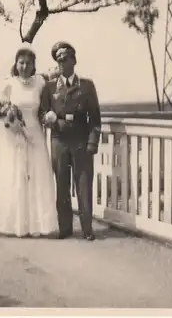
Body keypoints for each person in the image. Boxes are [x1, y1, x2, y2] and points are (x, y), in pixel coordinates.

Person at [0, 44, 58, 237]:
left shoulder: (40, 83)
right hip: (14, 137)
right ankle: (15, 225)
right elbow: (0, 112)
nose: (25, 66)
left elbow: (44, 108)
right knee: (16, 178)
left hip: (35, 134)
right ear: (15, 64)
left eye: (29, 63)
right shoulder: (8, 84)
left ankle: (39, 225)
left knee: (37, 178)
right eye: (21, 62)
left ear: (34, 65)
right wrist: (12, 124)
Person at [40, 41, 102, 241]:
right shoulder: (49, 88)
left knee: (83, 184)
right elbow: (41, 111)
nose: (60, 62)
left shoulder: (86, 86)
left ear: (74, 61)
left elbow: (95, 118)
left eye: (65, 58)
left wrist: (92, 143)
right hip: (59, 140)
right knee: (62, 185)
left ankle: (87, 229)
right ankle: (65, 228)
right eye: (58, 59)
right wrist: (48, 118)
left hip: (80, 140)